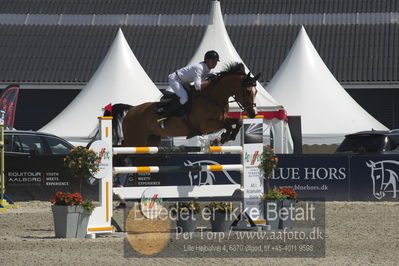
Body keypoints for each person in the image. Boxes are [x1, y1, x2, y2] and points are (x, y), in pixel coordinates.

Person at [157, 50, 220, 128]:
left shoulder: (209, 69)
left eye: (216, 61)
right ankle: (163, 113)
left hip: (184, 82)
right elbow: (198, 87)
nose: (215, 63)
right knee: (184, 98)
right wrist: (210, 81)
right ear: (207, 60)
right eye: (213, 61)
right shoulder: (199, 68)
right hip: (175, 79)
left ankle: (182, 112)